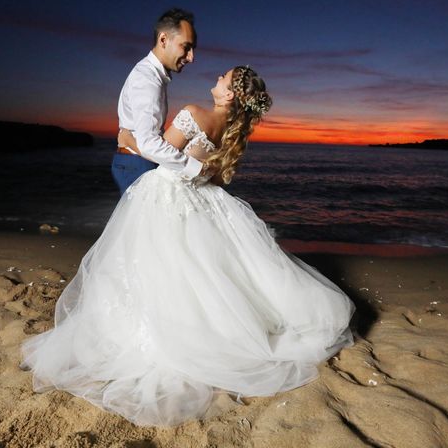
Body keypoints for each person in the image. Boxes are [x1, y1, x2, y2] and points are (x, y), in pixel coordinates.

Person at [21, 66, 355, 426]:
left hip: (164, 194)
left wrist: (128, 140)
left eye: (223, 78)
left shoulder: (195, 114)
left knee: (155, 266)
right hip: (201, 199)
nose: (216, 78)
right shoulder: (230, 130)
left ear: (229, 94)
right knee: (196, 270)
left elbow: (158, 153)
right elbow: (209, 172)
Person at [112, 8, 202, 194]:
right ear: (163, 40)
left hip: (136, 163)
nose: (191, 57)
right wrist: (196, 169)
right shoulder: (147, 79)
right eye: (186, 47)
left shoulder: (152, 76)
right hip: (137, 165)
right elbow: (149, 144)